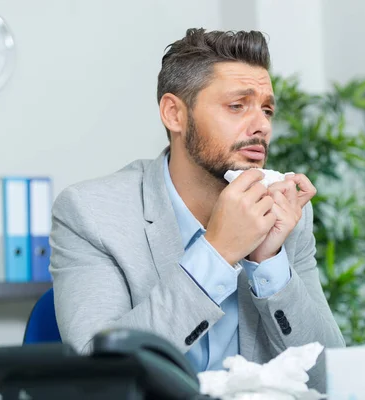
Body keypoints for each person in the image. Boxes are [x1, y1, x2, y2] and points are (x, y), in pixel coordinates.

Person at [49, 28, 345, 392]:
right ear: (175, 113)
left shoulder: (286, 216)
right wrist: (217, 253)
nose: (262, 126)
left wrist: (270, 263)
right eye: (238, 105)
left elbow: (330, 379)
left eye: (267, 109)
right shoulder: (90, 213)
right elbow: (98, 381)